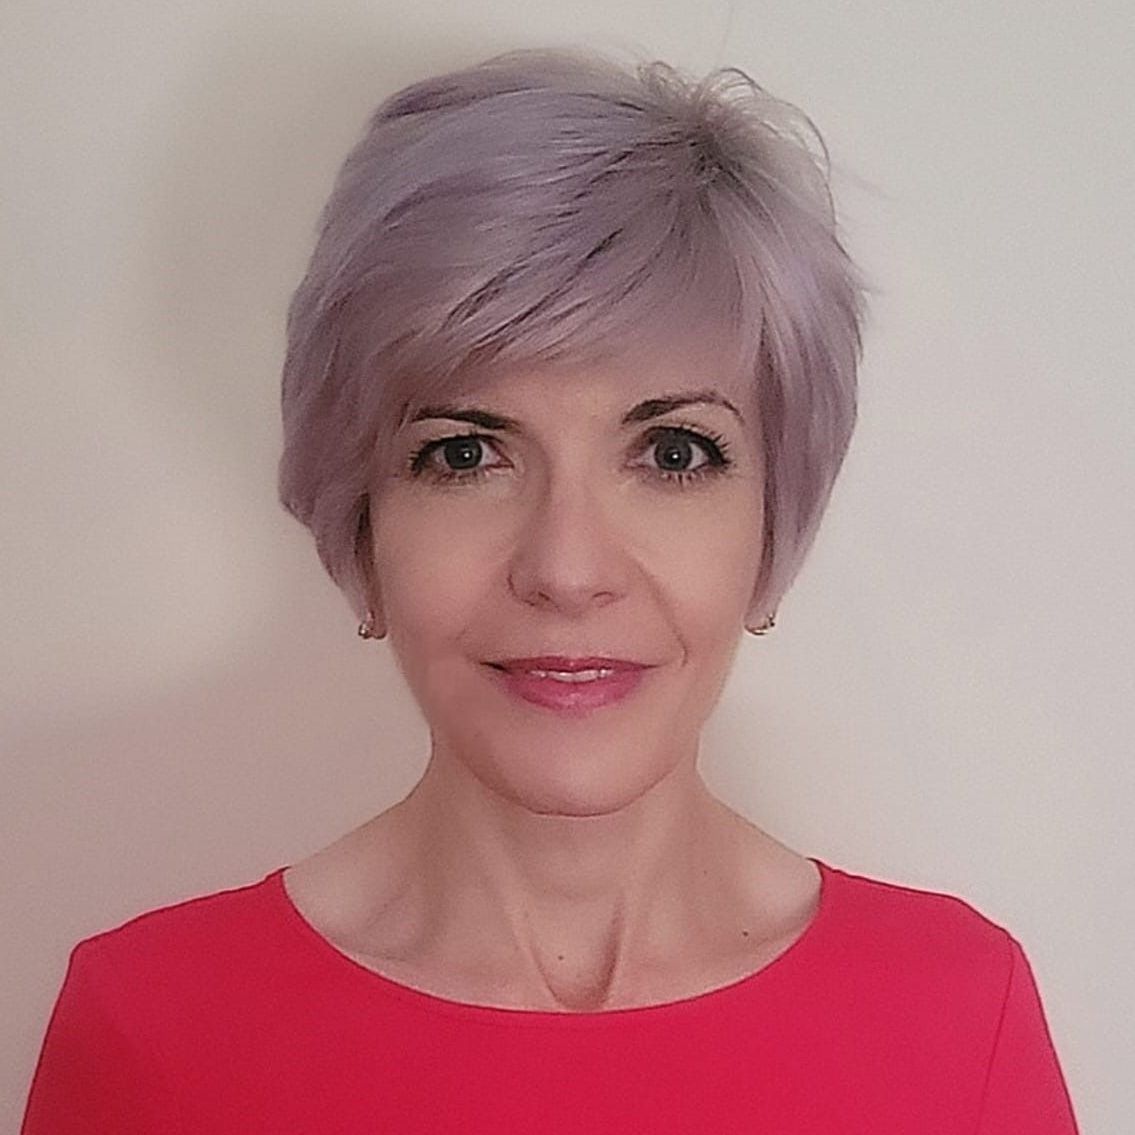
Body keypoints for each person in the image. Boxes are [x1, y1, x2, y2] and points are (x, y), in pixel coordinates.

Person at [21, 47, 1079, 1133]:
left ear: (774, 528)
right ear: (362, 525)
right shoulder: (155, 1030)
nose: (568, 570)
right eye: (465, 454)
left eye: (673, 453)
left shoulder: (957, 1016)